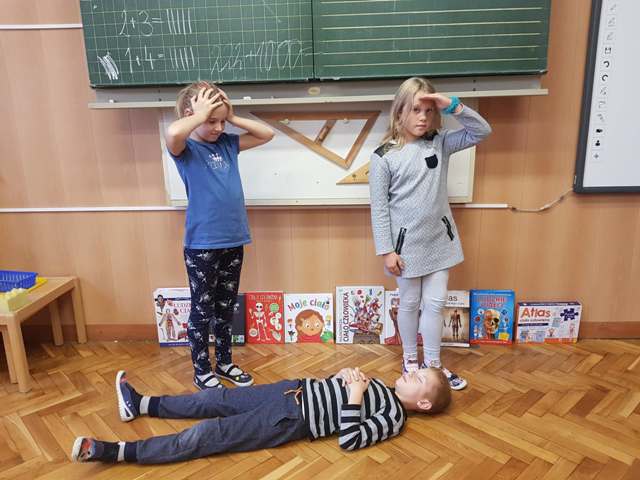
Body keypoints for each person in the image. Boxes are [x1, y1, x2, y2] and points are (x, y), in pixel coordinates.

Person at [369, 77, 492, 390]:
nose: (423, 117)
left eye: (428, 110)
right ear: (399, 112)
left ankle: (434, 365)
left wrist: (451, 105)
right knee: (410, 304)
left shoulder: (440, 142)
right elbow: (379, 209)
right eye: (415, 110)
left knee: (435, 305)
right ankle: (411, 361)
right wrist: (387, 251)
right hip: (405, 249)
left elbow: (481, 131)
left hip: (440, 243)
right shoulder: (383, 156)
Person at [71, 367, 451, 464]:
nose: (411, 373)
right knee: (214, 398)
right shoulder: (383, 385)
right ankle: (140, 404)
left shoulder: (394, 417)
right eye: (416, 370)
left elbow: (350, 439)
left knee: (209, 434)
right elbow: (335, 392)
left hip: (291, 420)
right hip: (290, 390)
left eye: (419, 379)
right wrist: (339, 377)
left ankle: (116, 452)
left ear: (422, 404)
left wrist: (354, 395)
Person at [165, 81, 275, 390]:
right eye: (211, 121)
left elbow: (267, 134)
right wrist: (200, 116)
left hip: (233, 239)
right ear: (192, 115)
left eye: (222, 121)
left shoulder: (227, 143)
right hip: (202, 244)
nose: (218, 127)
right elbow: (172, 133)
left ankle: (224, 362)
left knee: (226, 308)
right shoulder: (185, 148)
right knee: (202, 311)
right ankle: (202, 369)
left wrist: (233, 116)